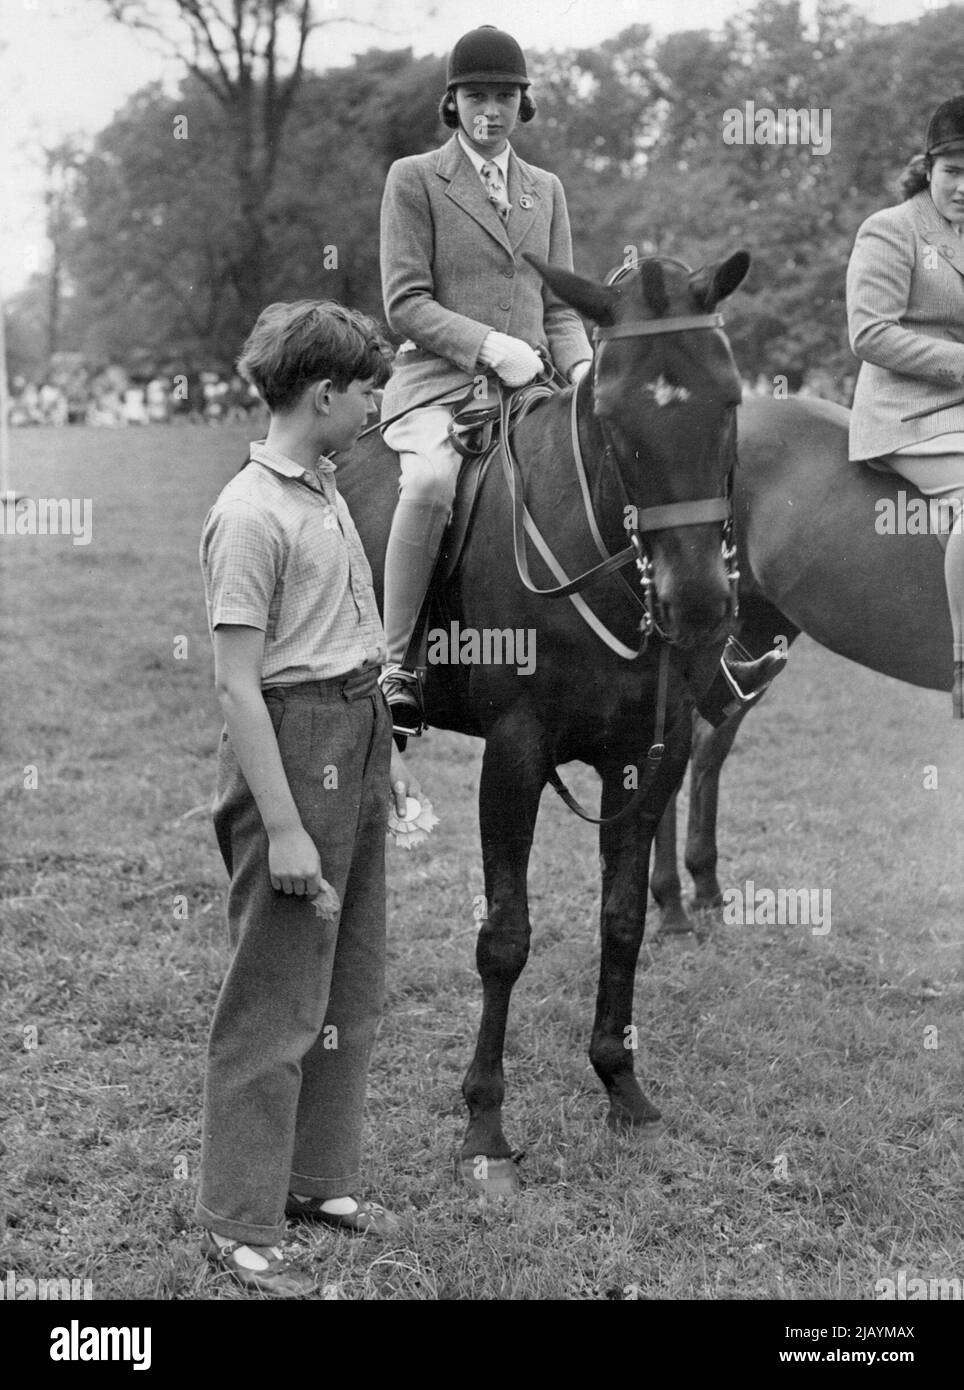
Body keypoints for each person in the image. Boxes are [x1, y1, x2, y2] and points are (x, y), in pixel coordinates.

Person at [377, 25, 781, 734]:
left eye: (504, 96)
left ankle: (698, 664)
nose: (491, 112)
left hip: (533, 389)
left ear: (523, 102)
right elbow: (405, 302)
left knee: (630, 479)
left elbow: (561, 309)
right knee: (430, 483)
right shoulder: (414, 180)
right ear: (453, 103)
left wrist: (589, 372)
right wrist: (488, 347)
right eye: (476, 97)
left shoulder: (546, 190)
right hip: (440, 387)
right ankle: (400, 659)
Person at [197, 299, 418, 1297]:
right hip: (293, 743)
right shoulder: (250, 512)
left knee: (349, 984)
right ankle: (238, 1219)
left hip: (357, 732)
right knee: (278, 991)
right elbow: (239, 684)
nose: (377, 401)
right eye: (368, 387)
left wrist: (387, 763)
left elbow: (357, 633)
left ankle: (313, 1180)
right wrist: (284, 826)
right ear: (324, 395)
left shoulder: (326, 486)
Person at [847, 95, 964, 718]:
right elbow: (869, 332)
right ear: (928, 169)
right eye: (954, 171)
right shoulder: (891, 229)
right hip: (907, 416)